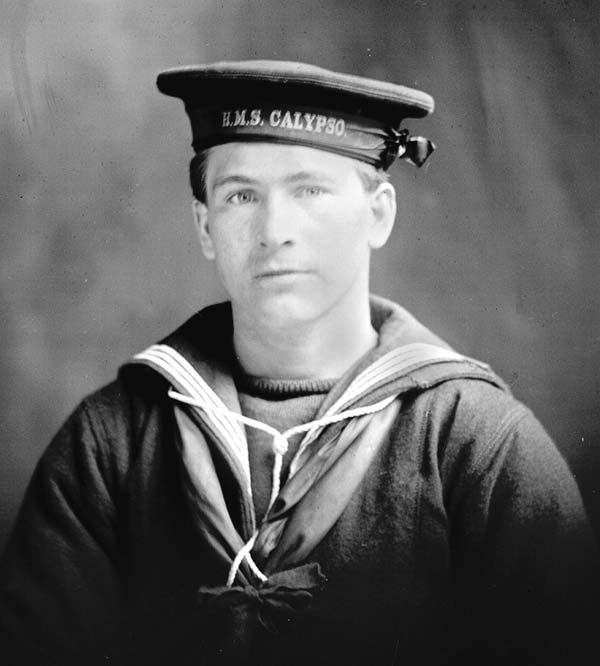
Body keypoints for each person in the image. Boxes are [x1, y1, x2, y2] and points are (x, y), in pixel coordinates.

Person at [0, 60, 597, 666]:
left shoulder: (478, 444)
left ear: (378, 215)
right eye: (241, 196)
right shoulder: (112, 442)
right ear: (205, 226)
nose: (274, 229)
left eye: (309, 190)